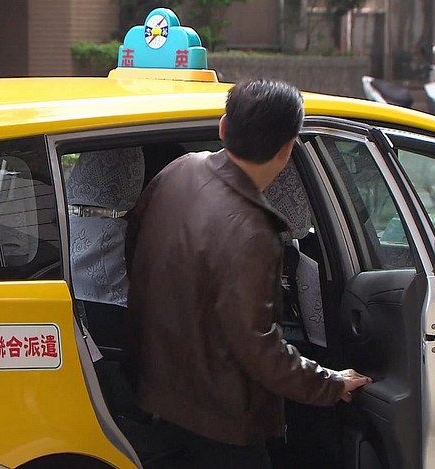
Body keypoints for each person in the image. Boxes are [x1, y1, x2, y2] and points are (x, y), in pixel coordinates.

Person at [125, 78, 372, 468]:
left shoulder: (179, 170)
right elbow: (258, 346)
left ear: (223, 126)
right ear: (287, 148)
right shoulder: (253, 230)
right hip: (221, 421)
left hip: (159, 393)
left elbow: (136, 250)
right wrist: (330, 384)